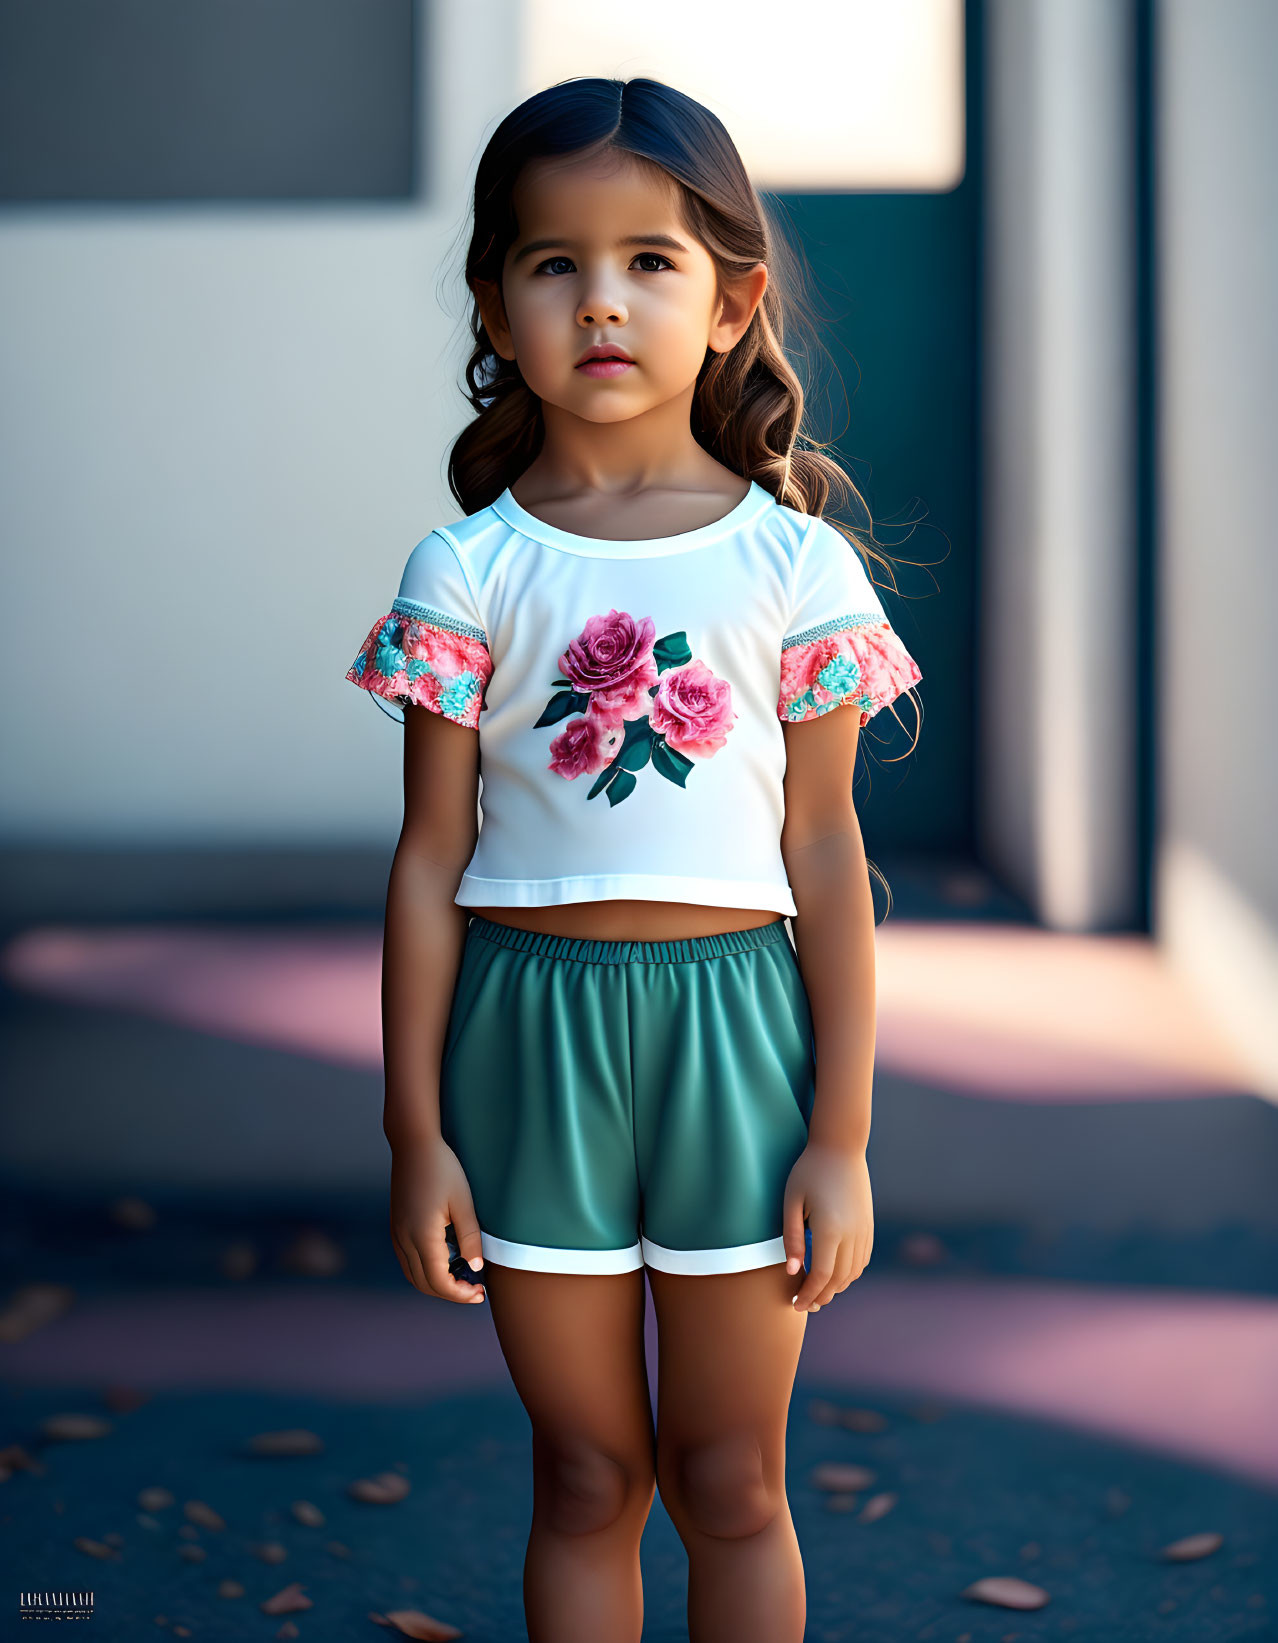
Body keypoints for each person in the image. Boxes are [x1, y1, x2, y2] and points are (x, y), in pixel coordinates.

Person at [344, 76, 923, 1643]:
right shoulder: (467, 568)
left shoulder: (793, 565)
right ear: (495, 302)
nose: (602, 301)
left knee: (731, 1474)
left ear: (733, 299)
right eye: (553, 264)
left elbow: (821, 849)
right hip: (524, 1043)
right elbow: (426, 859)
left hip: (740, 1040)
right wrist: (414, 1133)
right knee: (586, 1473)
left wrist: (843, 1138)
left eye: (650, 261)